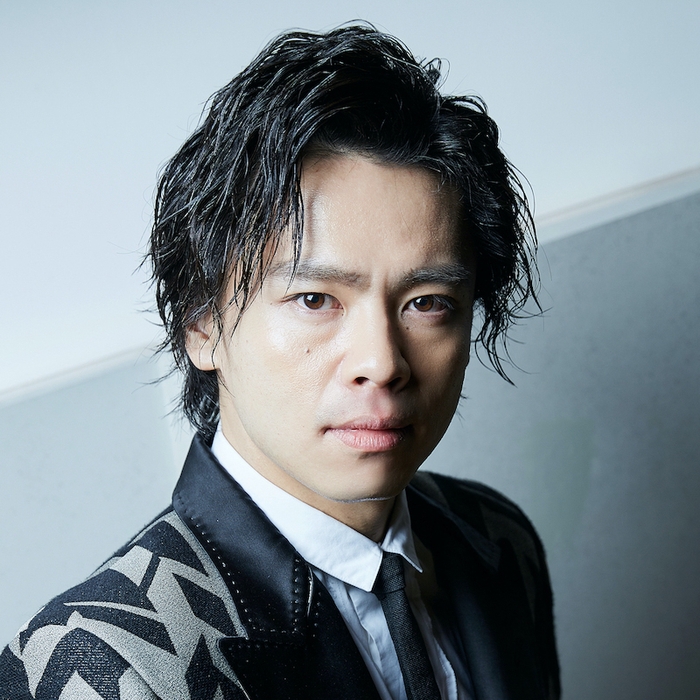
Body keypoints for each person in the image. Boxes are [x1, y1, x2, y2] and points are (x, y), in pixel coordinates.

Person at [0, 24, 559, 700]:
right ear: (201, 322)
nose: (382, 362)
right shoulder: (102, 662)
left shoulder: (495, 539)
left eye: (427, 303)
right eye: (315, 299)